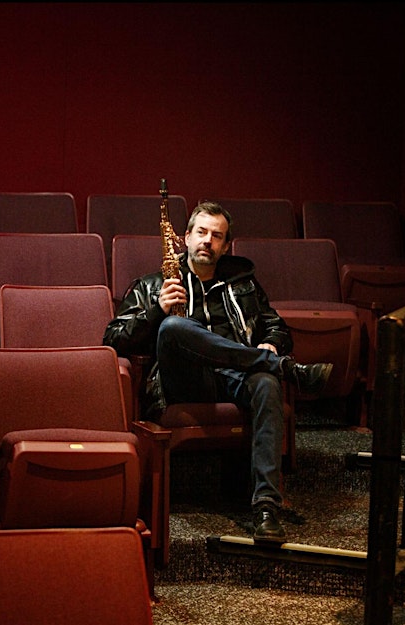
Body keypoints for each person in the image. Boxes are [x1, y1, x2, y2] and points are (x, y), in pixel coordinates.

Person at [102, 201, 333, 542]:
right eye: (201, 233)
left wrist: (271, 343)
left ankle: (266, 508)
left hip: (236, 379)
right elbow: (113, 339)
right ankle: (286, 370)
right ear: (186, 237)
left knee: (267, 383)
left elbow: (277, 328)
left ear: (226, 245)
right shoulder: (154, 284)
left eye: (217, 236)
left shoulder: (244, 284)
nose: (207, 241)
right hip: (184, 381)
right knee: (173, 328)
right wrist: (156, 310)